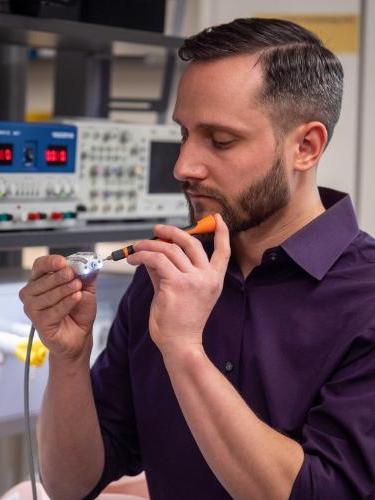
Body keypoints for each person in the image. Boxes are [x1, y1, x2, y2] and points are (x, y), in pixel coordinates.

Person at [19, 18, 375, 500]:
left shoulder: (366, 299)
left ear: (306, 147)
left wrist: (184, 349)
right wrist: (69, 361)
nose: (184, 166)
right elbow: (71, 482)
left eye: (220, 140)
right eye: (184, 133)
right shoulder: (163, 278)